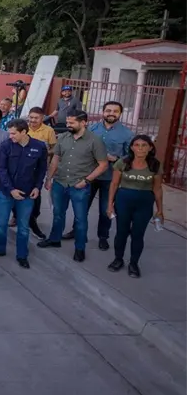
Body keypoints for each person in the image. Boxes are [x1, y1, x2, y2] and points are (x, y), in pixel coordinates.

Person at [38, 112, 109, 262]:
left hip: (80, 186)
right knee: (58, 214)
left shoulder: (95, 141)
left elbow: (103, 165)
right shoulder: (63, 138)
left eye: (72, 123)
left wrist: (87, 180)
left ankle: (80, 248)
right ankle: (54, 239)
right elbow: (55, 159)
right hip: (60, 182)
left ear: (83, 123)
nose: (68, 126)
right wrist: (49, 178)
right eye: (68, 123)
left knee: (80, 218)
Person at [68, 101, 134, 249]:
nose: (111, 113)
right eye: (108, 110)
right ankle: (76, 231)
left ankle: (103, 237)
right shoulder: (91, 129)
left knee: (106, 209)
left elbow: (131, 157)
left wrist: (115, 158)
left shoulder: (127, 134)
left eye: (115, 111)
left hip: (110, 178)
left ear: (120, 114)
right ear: (103, 112)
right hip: (89, 176)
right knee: (81, 206)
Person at [0, 119, 47, 268]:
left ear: (23, 132)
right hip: (6, 192)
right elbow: (1, 170)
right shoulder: (5, 146)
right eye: (9, 133)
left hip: (27, 194)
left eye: (13, 133)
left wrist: (37, 187)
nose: (11, 136)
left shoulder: (39, 147)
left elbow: (42, 170)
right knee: (1, 224)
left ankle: (22, 255)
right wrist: (11, 190)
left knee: (23, 227)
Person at [107, 134, 164, 278]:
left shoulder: (155, 165)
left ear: (150, 147)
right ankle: (118, 259)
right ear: (132, 147)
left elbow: (157, 189)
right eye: (137, 145)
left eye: (144, 145)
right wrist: (110, 205)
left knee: (138, 235)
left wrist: (160, 210)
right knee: (121, 232)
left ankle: (133, 263)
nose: (140, 148)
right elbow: (114, 184)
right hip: (124, 201)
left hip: (144, 203)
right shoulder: (123, 162)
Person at [26, 106, 57, 240]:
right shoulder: (23, 128)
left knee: (36, 197)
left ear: (42, 118)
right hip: (23, 169)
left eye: (36, 118)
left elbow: (54, 149)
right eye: (31, 117)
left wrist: (41, 152)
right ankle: (21, 218)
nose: (33, 120)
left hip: (39, 169)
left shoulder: (48, 130)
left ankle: (33, 218)